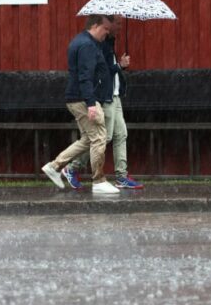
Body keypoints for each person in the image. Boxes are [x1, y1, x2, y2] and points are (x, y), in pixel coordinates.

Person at [61, 15, 143, 189]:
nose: (119, 27)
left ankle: (121, 175)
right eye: (116, 24)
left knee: (121, 134)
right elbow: (101, 71)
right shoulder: (99, 44)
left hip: (115, 94)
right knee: (102, 138)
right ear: (106, 25)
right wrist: (119, 66)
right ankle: (72, 168)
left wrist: (120, 66)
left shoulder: (108, 42)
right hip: (106, 96)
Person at [41, 15, 120, 194]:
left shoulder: (84, 42)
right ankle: (99, 181)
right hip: (84, 99)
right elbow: (85, 76)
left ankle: (54, 166)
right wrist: (91, 103)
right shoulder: (87, 45)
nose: (107, 33)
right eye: (105, 29)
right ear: (95, 26)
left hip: (79, 98)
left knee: (88, 139)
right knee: (100, 137)